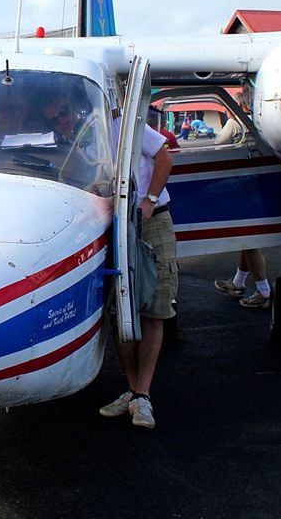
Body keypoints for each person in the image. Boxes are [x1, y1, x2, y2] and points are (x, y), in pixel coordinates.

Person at [98, 119, 175, 429]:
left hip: (151, 220)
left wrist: (149, 200)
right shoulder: (86, 129)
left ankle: (142, 393)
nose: (63, 118)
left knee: (155, 307)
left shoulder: (124, 123)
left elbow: (164, 156)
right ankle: (135, 392)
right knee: (121, 310)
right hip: (115, 224)